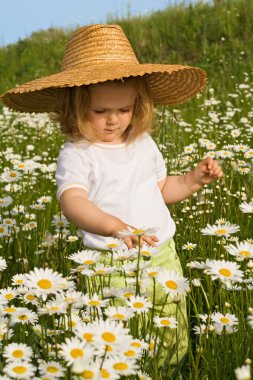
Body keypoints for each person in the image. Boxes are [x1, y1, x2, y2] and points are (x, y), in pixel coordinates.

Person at [0, 24, 223, 368]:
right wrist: (111, 226)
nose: (113, 121)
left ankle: (169, 370)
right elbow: (72, 201)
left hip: (163, 255)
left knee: (171, 324)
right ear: (75, 108)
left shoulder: (143, 144)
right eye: (100, 111)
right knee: (118, 337)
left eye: (124, 109)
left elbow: (162, 190)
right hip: (109, 263)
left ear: (138, 105)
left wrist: (194, 180)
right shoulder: (78, 154)